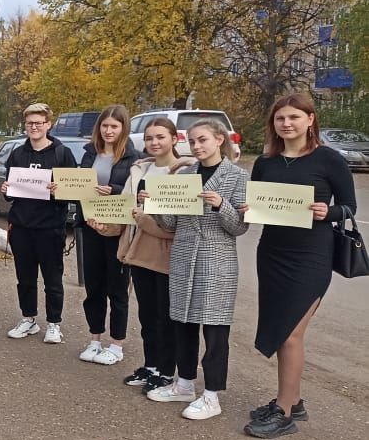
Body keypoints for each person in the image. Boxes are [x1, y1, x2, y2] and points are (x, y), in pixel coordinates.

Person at [242, 93, 357, 438]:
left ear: (310, 119)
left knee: (291, 333)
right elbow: (257, 201)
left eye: (294, 117)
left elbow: (350, 207)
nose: (287, 124)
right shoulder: (266, 162)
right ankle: (293, 399)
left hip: (311, 255)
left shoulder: (329, 160)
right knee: (280, 330)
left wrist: (330, 212)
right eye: (280, 119)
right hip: (272, 253)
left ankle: (284, 413)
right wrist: (249, 207)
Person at [145, 119, 248, 420]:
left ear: (219, 139)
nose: (197, 146)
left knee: (215, 329)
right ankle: (185, 383)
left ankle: (212, 394)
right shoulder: (186, 175)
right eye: (192, 142)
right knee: (183, 323)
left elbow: (241, 227)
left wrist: (221, 205)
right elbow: (172, 224)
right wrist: (157, 206)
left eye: (202, 140)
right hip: (184, 255)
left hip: (217, 259)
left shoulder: (237, 177)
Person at [116, 118, 191, 392]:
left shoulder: (186, 172)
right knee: (147, 314)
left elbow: (180, 220)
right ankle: (151, 365)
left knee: (165, 315)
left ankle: (166, 370)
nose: (155, 142)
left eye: (160, 137)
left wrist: (147, 213)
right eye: (149, 138)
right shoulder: (140, 169)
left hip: (166, 252)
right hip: (138, 250)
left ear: (174, 139)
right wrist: (104, 221)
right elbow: (126, 206)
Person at [0, 103, 78, 345]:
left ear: (48, 125)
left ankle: (54, 323)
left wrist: (59, 190)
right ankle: (29, 318)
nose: (34, 127)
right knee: (25, 278)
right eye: (29, 123)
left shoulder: (62, 154)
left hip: (50, 227)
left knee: (52, 279)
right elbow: (11, 193)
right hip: (21, 226)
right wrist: (5, 190)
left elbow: (74, 191)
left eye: (38, 123)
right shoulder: (18, 153)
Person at [77, 105, 139, 366]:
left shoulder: (133, 158)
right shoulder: (90, 153)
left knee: (117, 288)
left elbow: (134, 191)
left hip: (117, 230)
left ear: (123, 128)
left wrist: (112, 189)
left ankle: (116, 344)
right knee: (93, 287)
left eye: (114, 126)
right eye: (105, 126)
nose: (109, 130)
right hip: (90, 226)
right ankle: (95, 339)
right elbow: (79, 185)